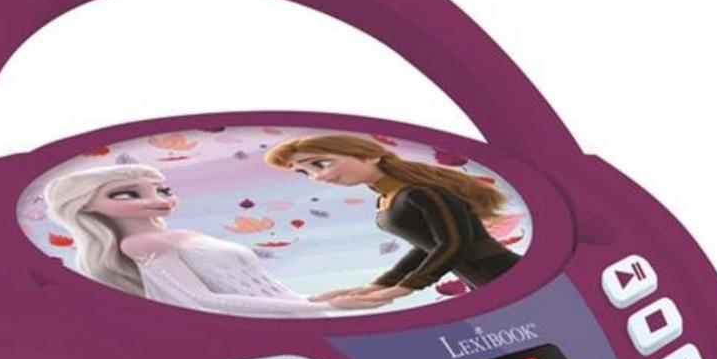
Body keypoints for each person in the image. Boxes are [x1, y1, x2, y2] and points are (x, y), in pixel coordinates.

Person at [264, 133, 519, 309]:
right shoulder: (387, 198)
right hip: (480, 280)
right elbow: (425, 246)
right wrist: (378, 285)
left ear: (369, 156)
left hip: (504, 274)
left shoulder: (424, 192)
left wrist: (403, 288)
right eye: (305, 172)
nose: (317, 177)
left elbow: (454, 243)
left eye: (321, 164)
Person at [44, 164, 328, 316]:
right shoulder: (139, 244)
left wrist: (317, 301)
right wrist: (319, 306)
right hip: (274, 319)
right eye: (127, 194)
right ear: (85, 205)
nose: (159, 200)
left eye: (163, 190)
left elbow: (260, 284)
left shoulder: (178, 234)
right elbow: (199, 298)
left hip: (294, 311)